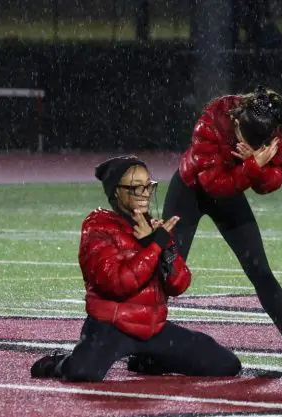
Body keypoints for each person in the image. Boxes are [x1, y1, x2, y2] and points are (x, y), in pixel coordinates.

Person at [30, 156, 242, 382]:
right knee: (83, 373)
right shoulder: (98, 227)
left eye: (148, 186)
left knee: (226, 364)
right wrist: (153, 247)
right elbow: (117, 283)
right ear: (115, 192)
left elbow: (180, 284)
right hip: (111, 327)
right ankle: (61, 362)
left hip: (152, 327)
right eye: (135, 187)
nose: (144, 193)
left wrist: (166, 250)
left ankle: (146, 359)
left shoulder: (153, 228)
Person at [161, 86, 282, 366]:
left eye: (260, 146)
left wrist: (252, 163)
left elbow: (272, 183)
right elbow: (212, 184)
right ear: (236, 122)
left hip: (232, 190)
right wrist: (252, 166)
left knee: (260, 270)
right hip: (190, 190)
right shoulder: (212, 118)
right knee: (167, 268)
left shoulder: (270, 131)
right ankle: (144, 339)